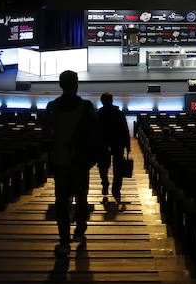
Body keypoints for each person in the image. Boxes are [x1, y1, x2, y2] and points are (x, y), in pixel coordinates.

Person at [44, 70, 100, 258]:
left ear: (60, 85)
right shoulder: (86, 107)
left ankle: (64, 242)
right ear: (77, 84)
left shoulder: (51, 107)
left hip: (60, 163)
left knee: (61, 202)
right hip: (79, 163)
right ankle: (79, 232)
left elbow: (46, 138)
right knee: (81, 199)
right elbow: (94, 136)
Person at [97, 93, 131, 203]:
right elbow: (125, 130)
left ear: (102, 101)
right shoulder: (119, 113)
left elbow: (95, 130)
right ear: (112, 100)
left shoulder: (98, 113)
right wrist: (128, 145)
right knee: (118, 168)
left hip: (103, 143)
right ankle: (116, 189)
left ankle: (105, 183)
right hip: (118, 143)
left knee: (103, 166)